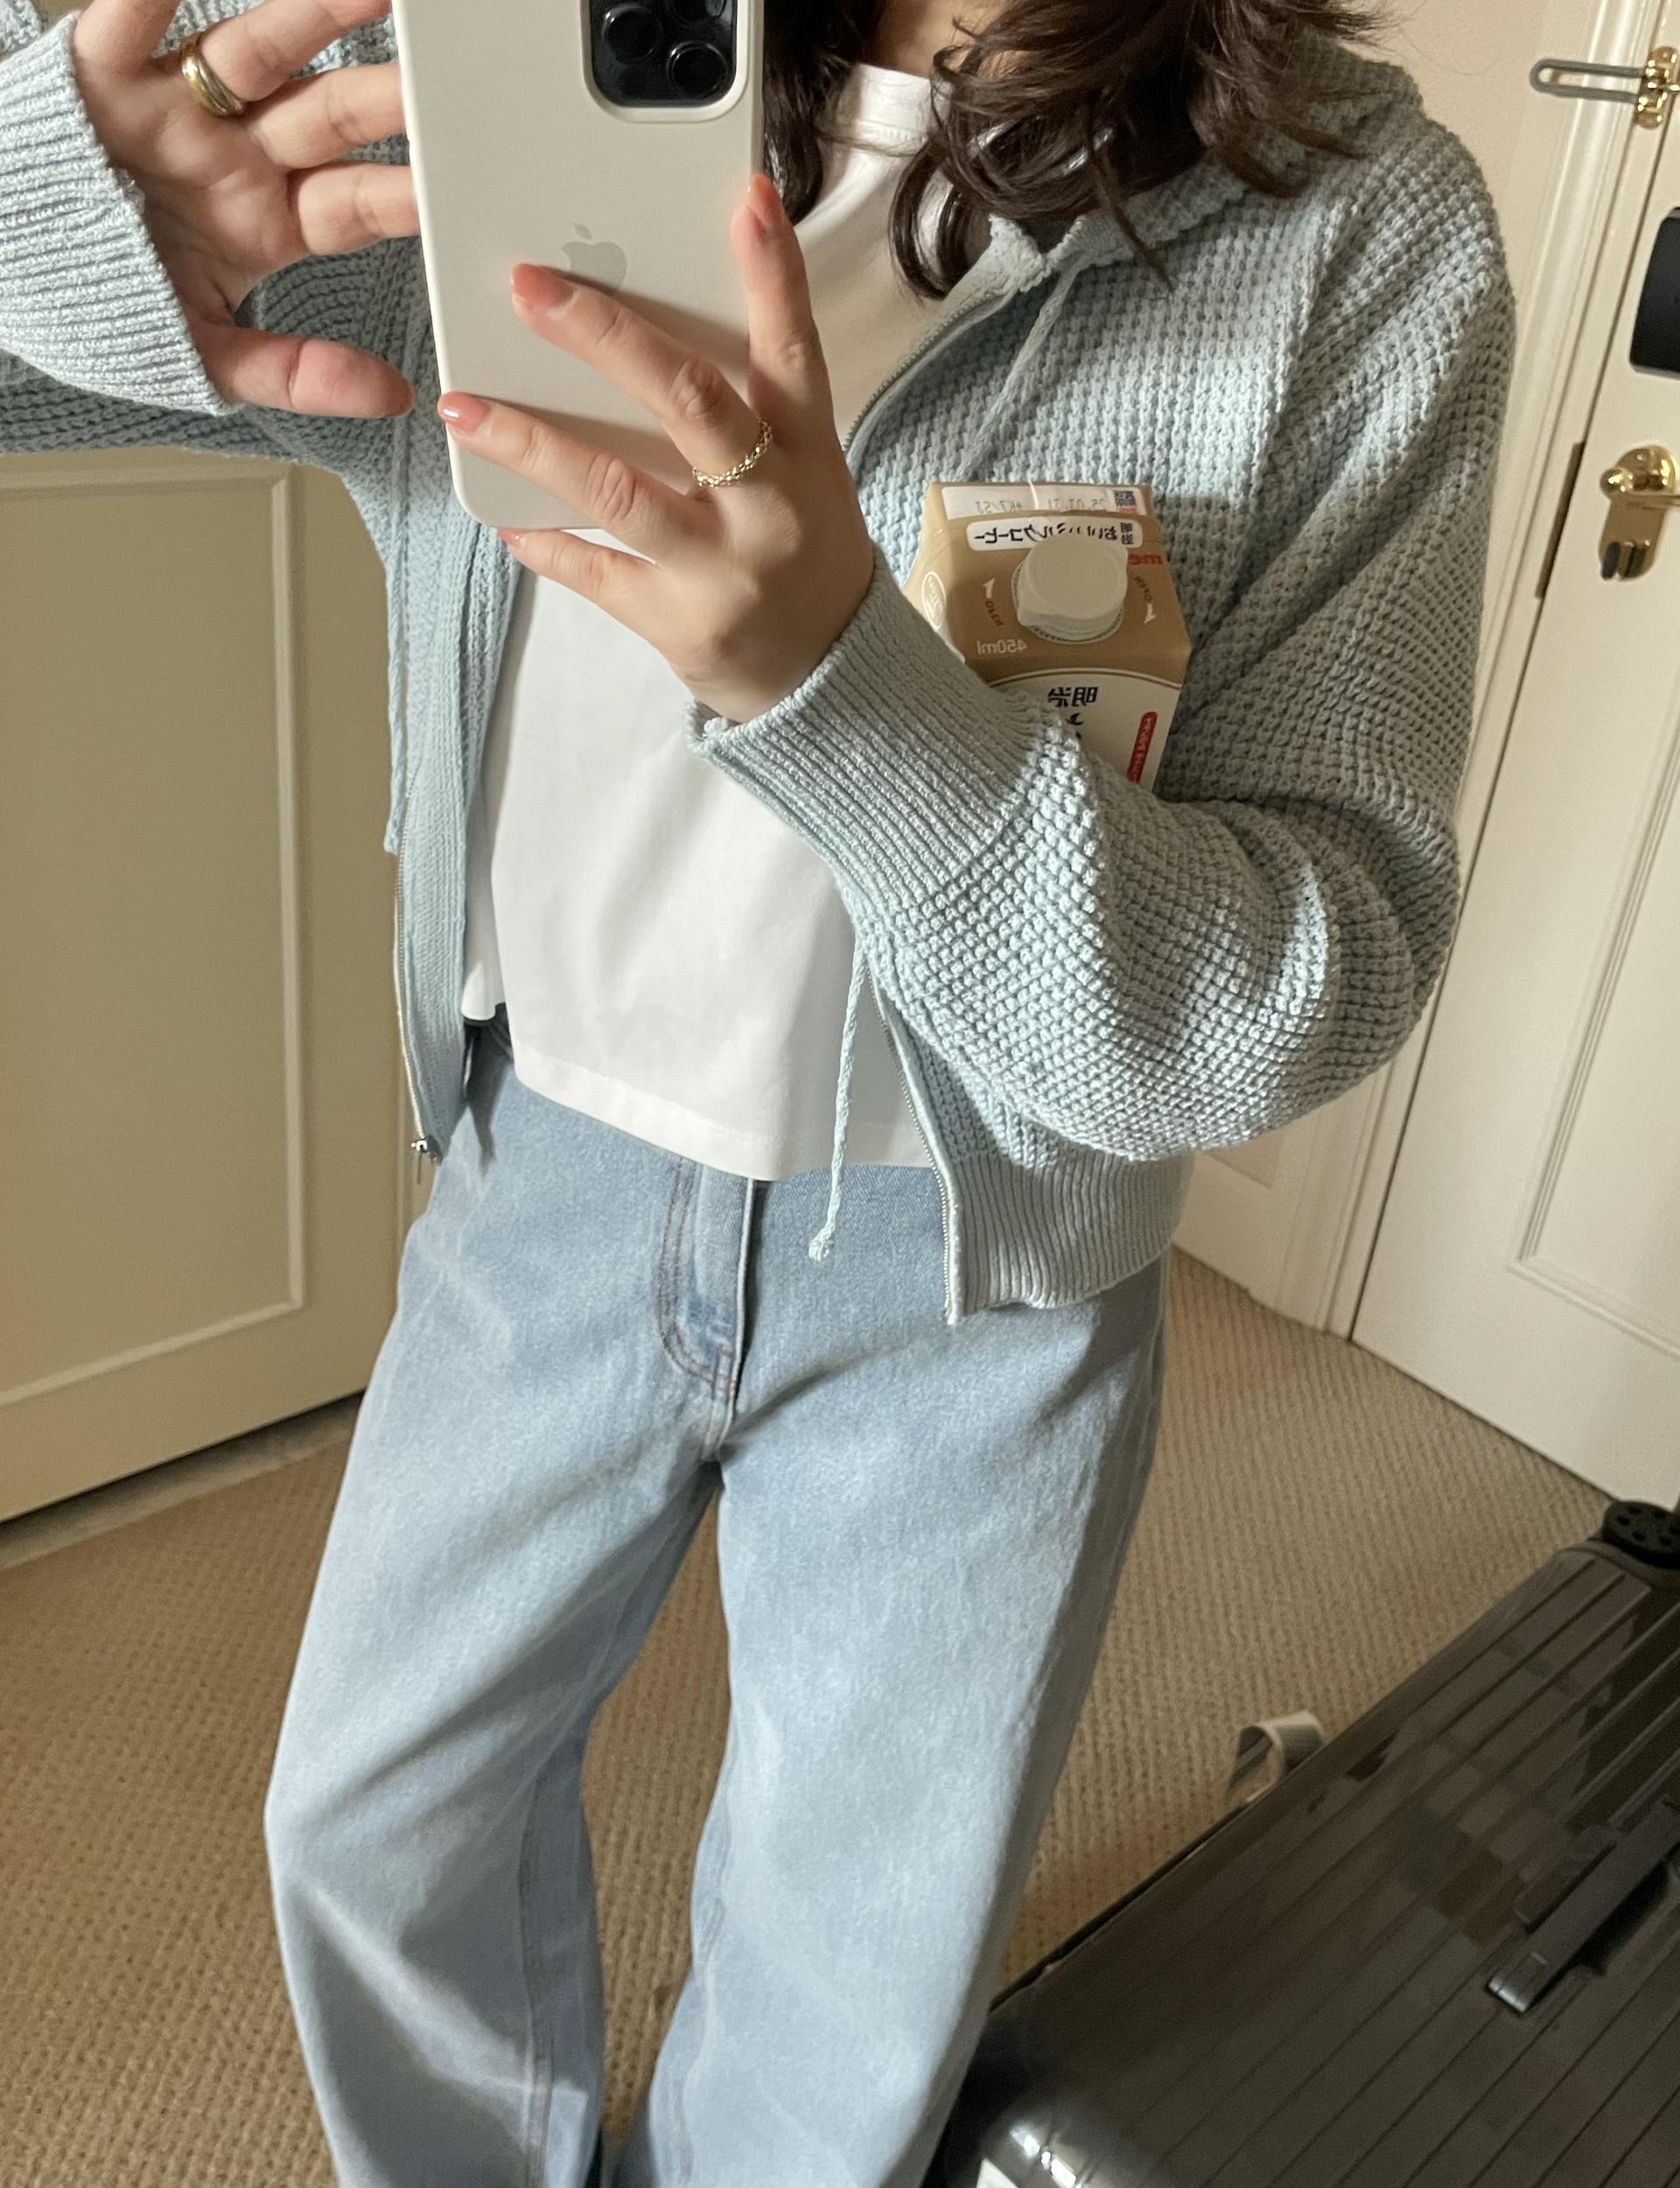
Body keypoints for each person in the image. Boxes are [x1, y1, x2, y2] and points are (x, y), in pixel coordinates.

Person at [0, 0, 1515, 2179]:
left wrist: (843, 683)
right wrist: (69, 201)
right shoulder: (479, 70)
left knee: (857, 1959)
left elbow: (1320, 961)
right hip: (543, 1171)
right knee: (370, 1821)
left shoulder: (1359, 224)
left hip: (983, 1263)